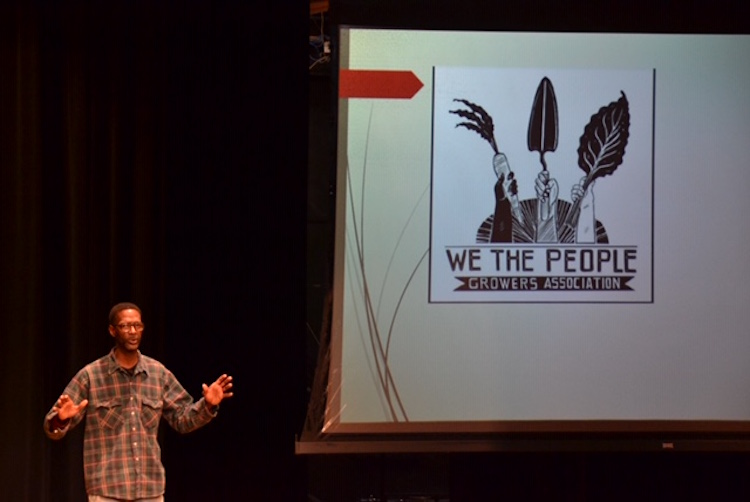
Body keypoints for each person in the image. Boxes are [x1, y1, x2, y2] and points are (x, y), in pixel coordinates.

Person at [44, 302, 234, 502]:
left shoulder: (158, 374)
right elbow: (52, 427)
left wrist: (208, 405)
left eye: (138, 325)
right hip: (107, 490)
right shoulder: (91, 375)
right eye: (126, 326)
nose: (133, 332)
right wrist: (61, 419)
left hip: (150, 490)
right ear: (112, 330)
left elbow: (182, 420)